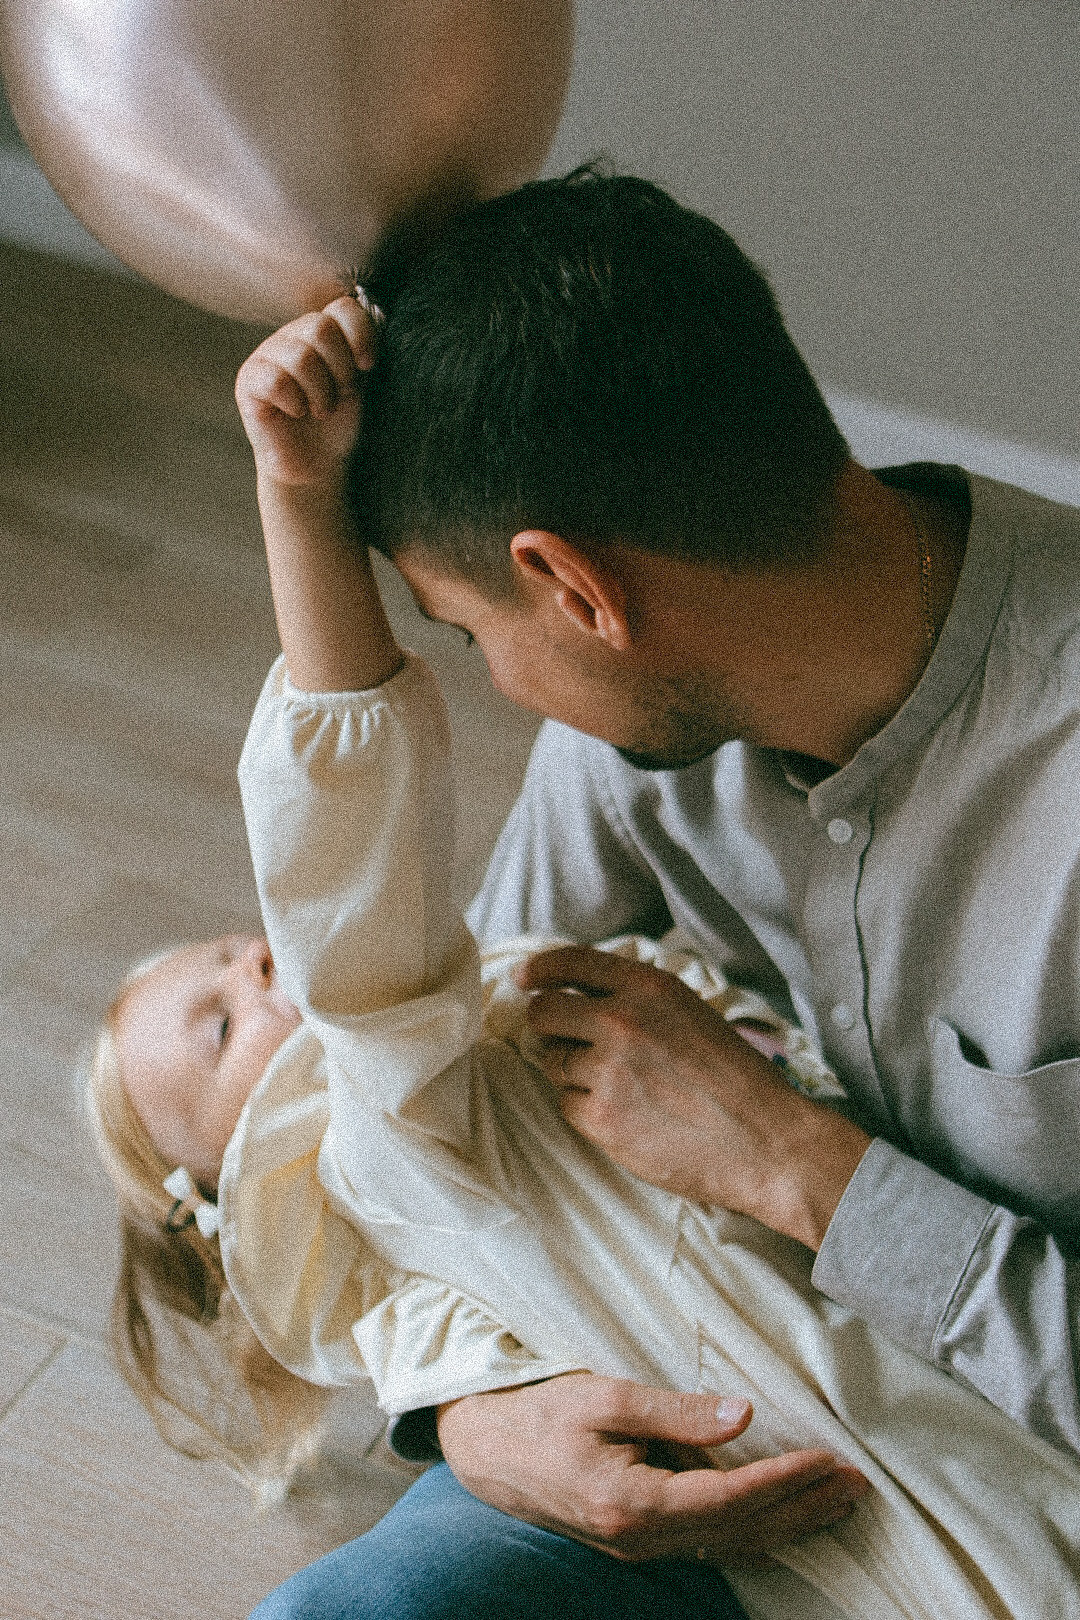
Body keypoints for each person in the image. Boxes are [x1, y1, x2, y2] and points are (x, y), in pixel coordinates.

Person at [87, 292, 1079, 1620]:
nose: (490, 682)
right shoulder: (418, 1057)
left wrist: (796, 1160)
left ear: (573, 590)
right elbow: (356, 874)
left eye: (465, 630)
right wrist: (475, 1420)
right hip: (791, 1506)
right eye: (218, 1027)